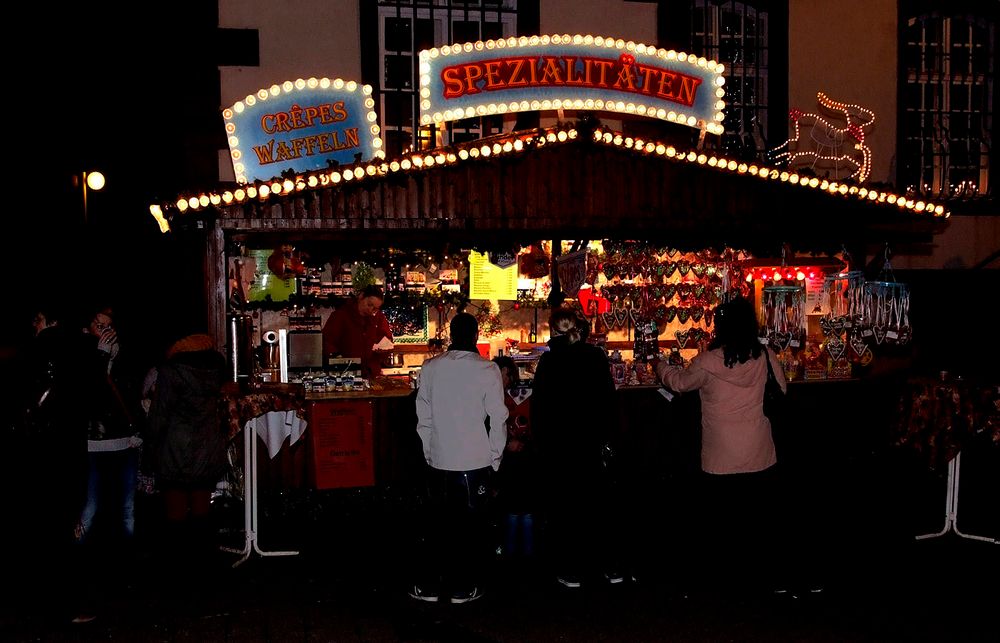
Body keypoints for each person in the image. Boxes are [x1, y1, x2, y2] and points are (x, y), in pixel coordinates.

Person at [651, 295, 789, 595]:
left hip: (720, 454)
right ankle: (761, 577)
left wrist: (660, 367)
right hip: (759, 451)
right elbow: (783, 388)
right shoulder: (764, 356)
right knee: (758, 521)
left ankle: (724, 579)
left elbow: (679, 383)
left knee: (721, 522)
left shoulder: (708, 361)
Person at [411, 312, 508, 604]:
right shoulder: (487, 369)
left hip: (440, 458)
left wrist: (430, 451)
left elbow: (423, 417)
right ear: (476, 336)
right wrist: (495, 458)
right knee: (470, 528)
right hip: (474, 459)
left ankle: (428, 586)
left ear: (451, 335)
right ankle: (462, 587)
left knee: (437, 525)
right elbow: (498, 418)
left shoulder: (430, 367)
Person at [531, 307, 622, 589]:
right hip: (590, 441)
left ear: (553, 331)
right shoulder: (595, 356)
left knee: (565, 508)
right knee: (598, 506)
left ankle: (572, 569)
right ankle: (610, 566)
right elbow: (608, 400)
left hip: (560, 445)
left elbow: (540, 408)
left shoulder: (549, 362)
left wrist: (541, 444)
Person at [144, 331, 228, 570]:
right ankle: (204, 564)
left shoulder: (171, 372)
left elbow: (159, 414)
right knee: (202, 508)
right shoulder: (216, 370)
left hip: (175, 446)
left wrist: (150, 447)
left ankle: (177, 567)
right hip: (207, 444)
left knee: (176, 511)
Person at [492, 355, 537, 565]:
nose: (507, 379)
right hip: (506, 458)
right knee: (514, 506)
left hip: (518, 458)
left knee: (519, 505)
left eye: (509, 374)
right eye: (505, 374)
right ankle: (515, 552)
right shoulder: (495, 396)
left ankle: (519, 553)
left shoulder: (517, 396)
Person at [321, 284, 393, 378]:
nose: (371, 309)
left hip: (370, 373)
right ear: (361, 296)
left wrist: (382, 351)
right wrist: (337, 359)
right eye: (369, 304)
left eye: (375, 308)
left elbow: (387, 339)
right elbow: (327, 342)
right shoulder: (340, 315)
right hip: (346, 373)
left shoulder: (379, 318)